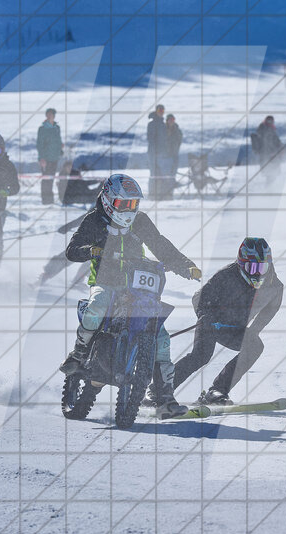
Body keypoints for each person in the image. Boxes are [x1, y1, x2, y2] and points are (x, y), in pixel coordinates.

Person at [58, 173, 202, 420]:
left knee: (162, 336)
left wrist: (185, 265)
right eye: (123, 204)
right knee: (97, 305)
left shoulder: (141, 221)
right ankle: (80, 353)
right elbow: (72, 250)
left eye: (133, 204)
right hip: (105, 282)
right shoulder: (94, 220)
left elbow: (161, 246)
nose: (129, 209)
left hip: (137, 285)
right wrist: (91, 250)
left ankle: (164, 396)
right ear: (107, 200)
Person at [172, 238, 283, 406]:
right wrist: (206, 317)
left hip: (235, 329)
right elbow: (199, 298)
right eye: (252, 267)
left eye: (263, 267)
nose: (258, 273)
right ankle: (159, 390)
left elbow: (270, 310)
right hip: (211, 323)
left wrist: (253, 330)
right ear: (241, 264)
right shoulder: (227, 275)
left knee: (255, 346)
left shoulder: (275, 286)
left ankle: (217, 391)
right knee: (201, 356)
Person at [36, 107, 63, 205]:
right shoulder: (42, 129)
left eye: (51, 114)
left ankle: (50, 200)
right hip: (46, 159)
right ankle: (46, 201)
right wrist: (41, 158)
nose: (49, 116)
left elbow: (58, 140)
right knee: (46, 179)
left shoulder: (57, 128)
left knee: (51, 178)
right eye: (48, 114)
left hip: (55, 157)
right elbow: (40, 144)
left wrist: (60, 149)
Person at [146, 104, 167, 199]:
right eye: (159, 110)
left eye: (162, 110)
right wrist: (156, 151)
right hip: (153, 153)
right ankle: (152, 194)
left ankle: (160, 193)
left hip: (161, 153)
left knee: (161, 174)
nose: (161, 112)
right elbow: (151, 139)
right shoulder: (152, 123)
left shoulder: (163, 124)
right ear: (156, 111)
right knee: (154, 174)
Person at [163, 113, 182, 197]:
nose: (171, 122)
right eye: (170, 120)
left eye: (173, 120)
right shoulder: (162, 129)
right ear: (167, 121)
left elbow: (179, 140)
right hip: (165, 156)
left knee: (172, 175)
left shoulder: (177, 130)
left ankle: (170, 193)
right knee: (165, 176)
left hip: (174, 155)